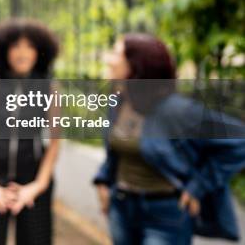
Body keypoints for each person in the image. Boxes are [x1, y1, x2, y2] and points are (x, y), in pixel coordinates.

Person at [94, 33, 245, 245]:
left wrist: (197, 187)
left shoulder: (176, 111)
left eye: (117, 53)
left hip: (164, 214)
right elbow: (116, 150)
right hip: (121, 208)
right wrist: (103, 180)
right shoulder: (118, 102)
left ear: (136, 66)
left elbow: (239, 141)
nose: (108, 59)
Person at [0, 18, 60, 245]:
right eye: (16, 46)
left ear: (40, 51)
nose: (22, 53)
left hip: (33, 179)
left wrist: (37, 186)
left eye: (30, 47)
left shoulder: (50, 86)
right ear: (4, 50)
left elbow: (56, 141)